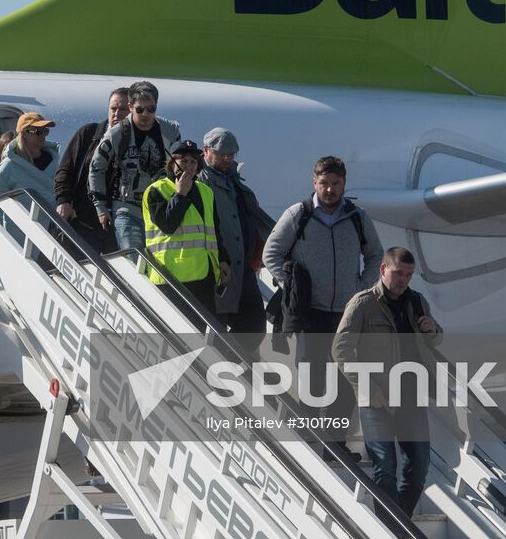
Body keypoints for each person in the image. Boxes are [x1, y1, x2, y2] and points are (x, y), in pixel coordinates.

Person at [263, 155, 383, 457]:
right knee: (313, 380)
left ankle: (335, 446)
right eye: (324, 183)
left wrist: (362, 287)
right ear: (314, 183)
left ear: (344, 185)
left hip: (347, 314)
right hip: (311, 313)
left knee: (344, 383)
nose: (330, 189)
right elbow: (271, 254)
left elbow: (375, 255)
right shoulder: (298, 215)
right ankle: (307, 444)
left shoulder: (357, 217)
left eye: (336, 184)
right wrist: (289, 284)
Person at [333, 247, 442, 522]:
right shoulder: (363, 303)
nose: (403, 280)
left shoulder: (417, 301)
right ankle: (388, 529)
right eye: (398, 273)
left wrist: (434, 330)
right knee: (385, 468)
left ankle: (397, 525)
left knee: (418, 469)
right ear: (383, 270)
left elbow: (432, 342)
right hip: (377, 399)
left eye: (408, 274)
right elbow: (340, 349)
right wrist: (367, 385)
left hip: (412, 397)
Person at [142, 140, 229, 326]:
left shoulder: (206, 191)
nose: (189, 166)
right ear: (172, 163)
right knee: (178, 334)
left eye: (193, 162)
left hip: (204, 274)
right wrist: (180, 195)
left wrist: (223, 260)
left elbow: (214, 230)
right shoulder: (156, 190)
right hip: (171, 276)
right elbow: (167, 224)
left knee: (206, 331)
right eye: (183, 161)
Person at [199, 128, 275, 334]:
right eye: (222, 154)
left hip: (243, 268)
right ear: (206, 151)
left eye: (231, 154)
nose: (227, 158)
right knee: (217, 328)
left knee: (256, 325)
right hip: (218, 269)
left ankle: (232, 364)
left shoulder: (233, 181)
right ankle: (225, 364)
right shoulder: (201, 182)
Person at [89, 84, 180, 253]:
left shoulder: (170, 131)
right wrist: (100, 208)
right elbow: (96, 168)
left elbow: (179, 167)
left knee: (159, 263)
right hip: (127, 209)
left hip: (159, 209)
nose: (146, 114)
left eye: (151, 109)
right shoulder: (117, 133)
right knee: (134, 257)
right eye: (140, 109)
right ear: (130, 107)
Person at [54, 87, 130, 253]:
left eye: (123, 109)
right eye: (113, 108)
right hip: (83, 223)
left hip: (120, 228)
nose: (117, 114)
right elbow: (65, 169)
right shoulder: (89, 133)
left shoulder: (140, 144)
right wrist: (63, 200)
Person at [0, 113, 60, 219]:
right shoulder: (8, 165)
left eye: (45, 131)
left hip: (54, 229)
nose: (43, 135)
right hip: (21, 230)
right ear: (24, 133)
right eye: (38, 132)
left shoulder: (55, 160)